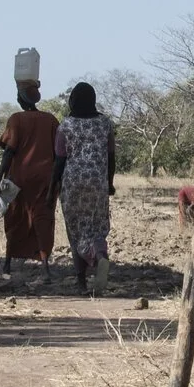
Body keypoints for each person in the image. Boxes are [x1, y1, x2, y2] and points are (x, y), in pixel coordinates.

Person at [0, 49, 60, 277]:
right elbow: (59, 153)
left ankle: (8, 263)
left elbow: (9, 151)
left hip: (19, 179)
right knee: (43, 219)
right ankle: (45, 267)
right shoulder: (50, 120)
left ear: (21, 99)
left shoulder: (16, 120)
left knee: (15, 218)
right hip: (45, 180)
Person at [56, 83, 116, 295]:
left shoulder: (65, 126)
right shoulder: (105, 124)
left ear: (72, 101)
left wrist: (53, 188)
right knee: (96, 227)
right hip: (97, 183)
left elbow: (60, 161)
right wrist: (109, 183)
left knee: (75, 231)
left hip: (72, 183)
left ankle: (81, 281)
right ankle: (100, 257)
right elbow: (111, 156)